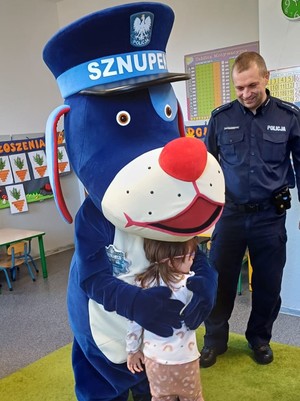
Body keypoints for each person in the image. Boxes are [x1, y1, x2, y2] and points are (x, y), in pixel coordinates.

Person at [201, 51, 300, 368]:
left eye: (252, 85)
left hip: (270, 217)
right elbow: (206, 169)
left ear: (266, 77)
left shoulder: (289, 117)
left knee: (268, 284)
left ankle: (259, 339)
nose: (245, 94)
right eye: (239, 87)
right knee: (219, 283)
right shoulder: (221, 118)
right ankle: (215, 341)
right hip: (229, 215)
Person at [126, 237, 211, 401]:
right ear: (172, 262)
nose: (193, 259)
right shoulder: (191, 284)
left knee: (160, 397)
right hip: (185, 359)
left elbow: (134, 322)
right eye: (191, 255)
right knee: (192, 397)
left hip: (154, 361)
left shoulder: (141, 283)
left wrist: (132, 350)